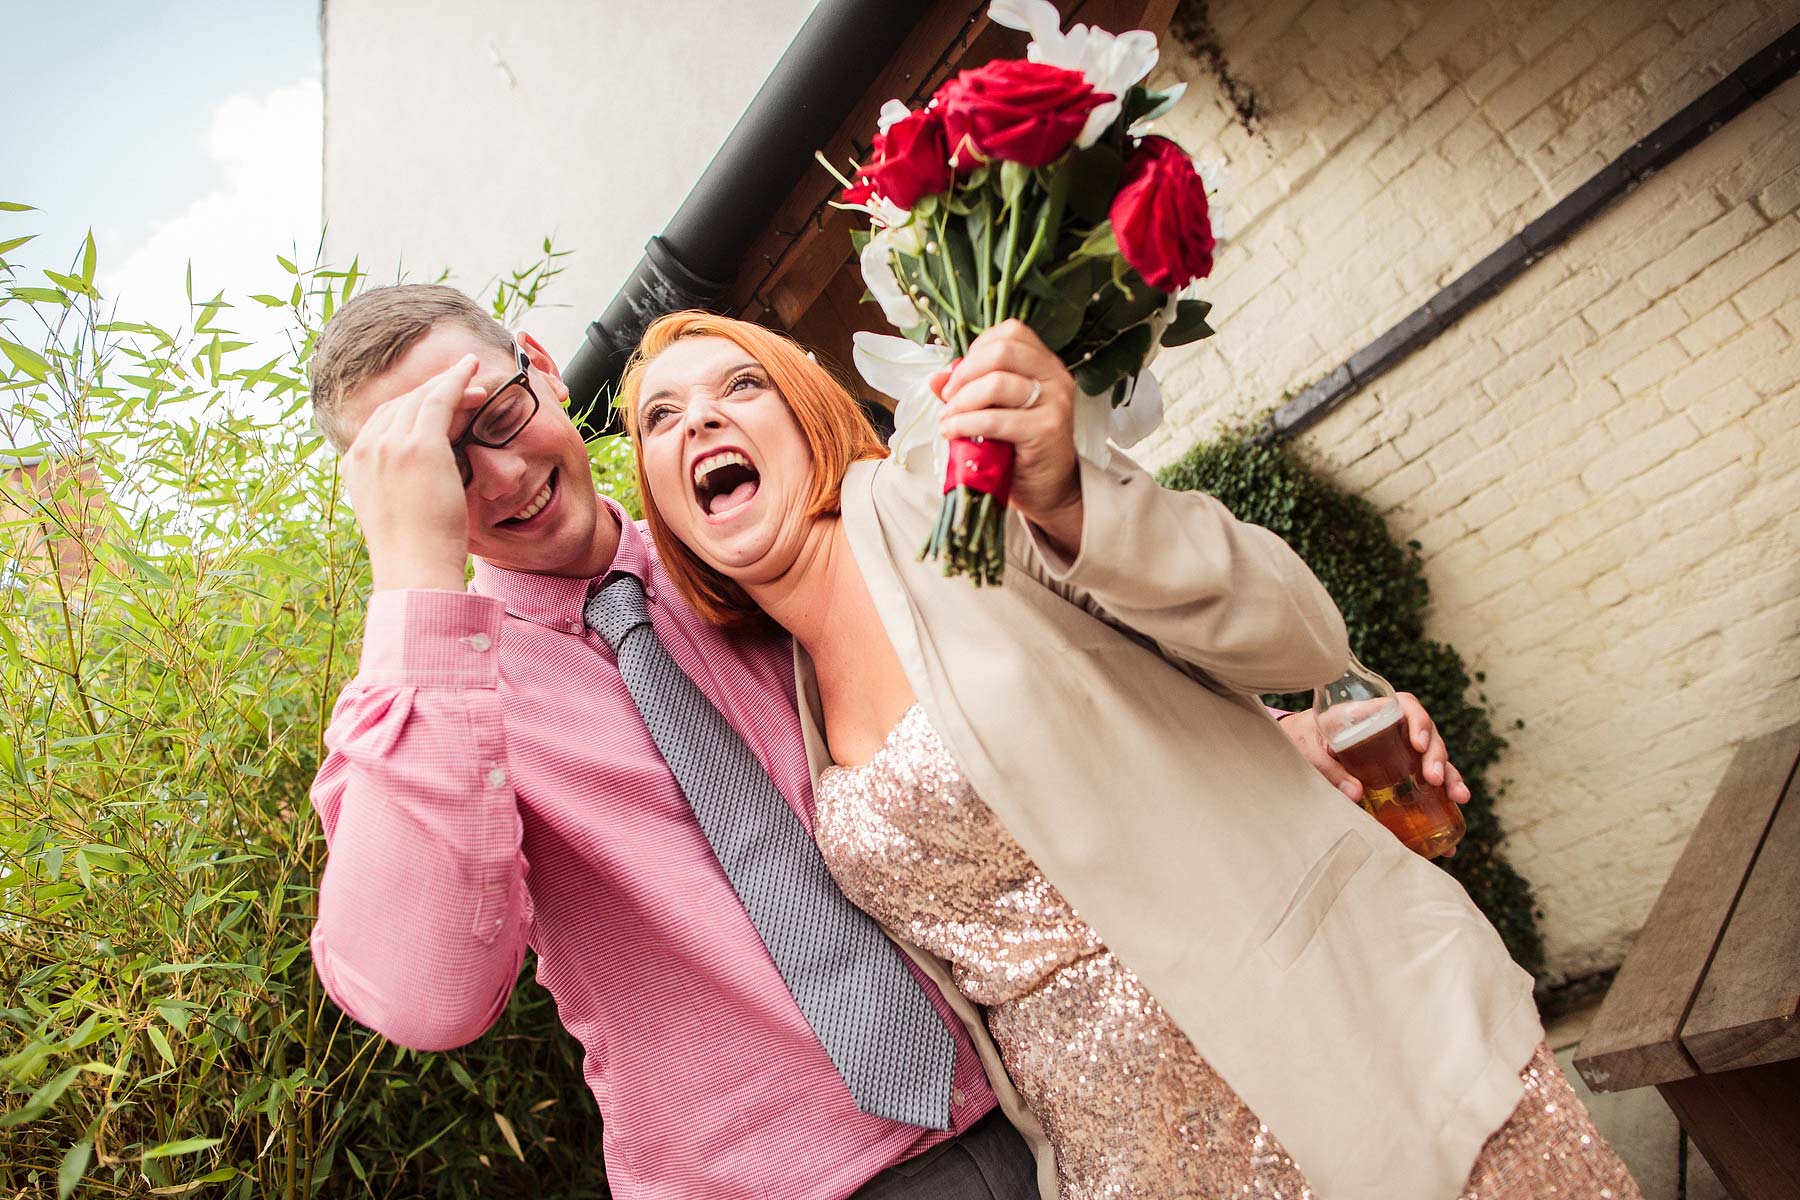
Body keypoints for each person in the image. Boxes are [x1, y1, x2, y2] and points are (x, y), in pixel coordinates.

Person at [307, 284, 1469, 1200]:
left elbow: (999, 693)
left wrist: (1269, 742)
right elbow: (424, 997)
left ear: (542, 364)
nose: (502, 477)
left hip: (1055, 1108)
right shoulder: (425, 704)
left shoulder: (754, 535)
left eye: (499, 420)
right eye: (442, 466)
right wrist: (414, 578)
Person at [618, 310, 1642, 1200]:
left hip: (1341, 1054)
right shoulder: (780, 685)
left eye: (740, 384)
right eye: (660, 415)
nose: (700, 419)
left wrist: (1071, 500)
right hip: (1133, 1159)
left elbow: (1296, 633)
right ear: (662, 500)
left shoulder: (945, 497)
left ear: (810, 414)